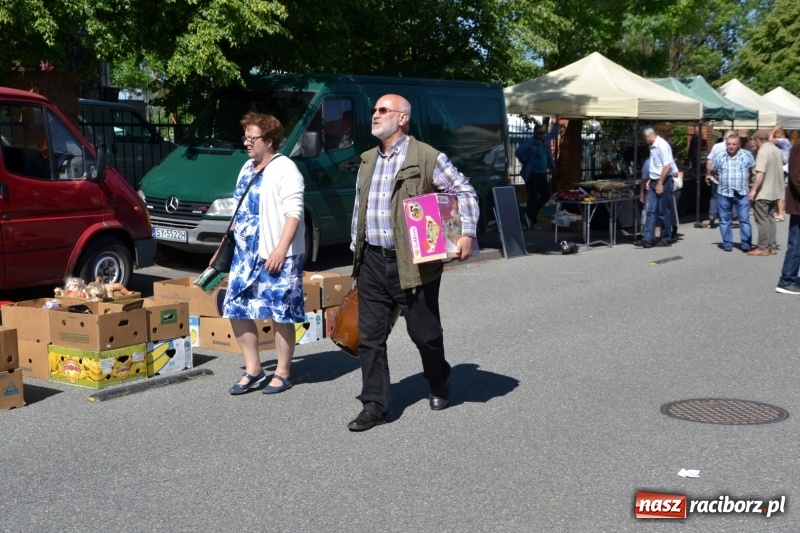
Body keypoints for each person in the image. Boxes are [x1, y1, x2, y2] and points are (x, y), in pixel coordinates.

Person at [348, 94, 478, 431]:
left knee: (425, 335)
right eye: (374, 110)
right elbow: (359, 208)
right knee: (370, 338)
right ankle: (375, 405)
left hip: (414, 263)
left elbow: (464, 191)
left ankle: (438, 379)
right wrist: (355, 248)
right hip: (373, 261)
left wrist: (466, 232)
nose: (374, 115)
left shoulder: (427, 157)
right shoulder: (367, 160)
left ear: (402, 118)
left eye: (383, 110)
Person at [220, 112, 305, 395]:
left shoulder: (286, 169)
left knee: (280, 312)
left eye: (251, 137)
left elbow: (294, 213)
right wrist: (223, 246)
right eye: (245, 136)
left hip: (275, 252)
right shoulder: (247, 167)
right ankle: (253, 368)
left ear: (269, 140)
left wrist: (280, 249)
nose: (246, 142)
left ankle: (282, 371)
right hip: (245, 254)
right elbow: (239, 208)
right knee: (235, 306)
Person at [709, 134, 754, 252]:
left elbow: (752, 170)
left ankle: (746, 243)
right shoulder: (720, 156)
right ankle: (727, 243)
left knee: (744, 219)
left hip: (742, 192)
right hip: (724, 192)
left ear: (739, 145)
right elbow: (713, 171)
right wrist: (721, 180)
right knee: (724, 219)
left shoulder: (747, 155)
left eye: (734, 144)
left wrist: (746, 180)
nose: (731, 147)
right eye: (729, 144)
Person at [635, 127, 676, 248]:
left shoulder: (662, 145)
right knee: (650, 210)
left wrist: (660, 183)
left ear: (647, 136)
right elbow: (656, 166)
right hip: (654, 180)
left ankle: (667, 237)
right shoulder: (654, 146)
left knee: (663, 211)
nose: (644, 140)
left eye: (643, 138)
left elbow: (667, 165)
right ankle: (647, 238)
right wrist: (650, 179)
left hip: (663, 181)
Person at [515, 121, 559, 228]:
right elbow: (518, 151)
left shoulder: (545, 140)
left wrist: (557, 122)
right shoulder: (530, 142)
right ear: (535, 133)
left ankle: (530, 216)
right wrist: (526, 161)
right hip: (533, 174)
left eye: (543, 133)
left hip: (542, 173)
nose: (542, 135)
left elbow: (553, 134)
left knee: (546, 195)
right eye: (539, 133)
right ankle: (531, 222)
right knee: (532, 197)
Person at [748, 130, 785, 256]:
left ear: (758, 140)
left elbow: (760, 173)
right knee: (770, 218)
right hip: (775, 190)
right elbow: (784, 161)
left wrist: (753, 190)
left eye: (755, 140)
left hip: (764, 191)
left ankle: (763, 247)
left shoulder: (763, 151)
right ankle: (772, 246)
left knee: (761, 219)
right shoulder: (776, 150)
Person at [775, 140, 800, 294]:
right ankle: (786, 280)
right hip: (799, 206)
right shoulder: (799, 146)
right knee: (796, 245)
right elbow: (796, 177)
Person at [705, 131, 738, 229]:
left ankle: (712, 214)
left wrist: (708, 174)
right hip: (729, 178)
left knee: (715, 197)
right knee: (730, 197)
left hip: (716, 177)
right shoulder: (736, 148)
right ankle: (731, 216)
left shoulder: (716, 146)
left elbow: (710, 160)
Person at [770, 125, 791, 222]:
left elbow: (770, 139)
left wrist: (773, 130)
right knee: (780, 190)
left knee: (780, 191)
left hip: (783, 168)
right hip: (783, 168)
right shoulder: (785, 142)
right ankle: (779, 212)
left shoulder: (784, 141)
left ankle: (780, 214)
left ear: (780, 134)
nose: (775, 136)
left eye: (776, 134)